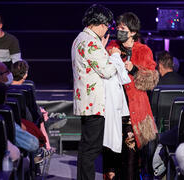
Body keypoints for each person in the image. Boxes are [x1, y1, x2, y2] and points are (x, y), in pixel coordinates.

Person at [106, 12, 159, 179]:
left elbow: (151, 81)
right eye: (118, 27)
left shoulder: (143, 50)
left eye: (124, 28)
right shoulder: (111, 47)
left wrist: (134, 69)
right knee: (111, 161)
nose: (119, 31)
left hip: (133, 113)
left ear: (133, 32)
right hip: (112, 110)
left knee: (130, 161)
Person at [72, 4, 122, 180]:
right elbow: (107, 71)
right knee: (91, 150)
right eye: (107, 25)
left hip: (87, 101)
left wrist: (102, 48)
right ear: (100, 23)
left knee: (86, 148)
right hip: (94, 103)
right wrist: (115, 56)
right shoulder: (90, 42)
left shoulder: (81, 38)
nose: (107, 29)